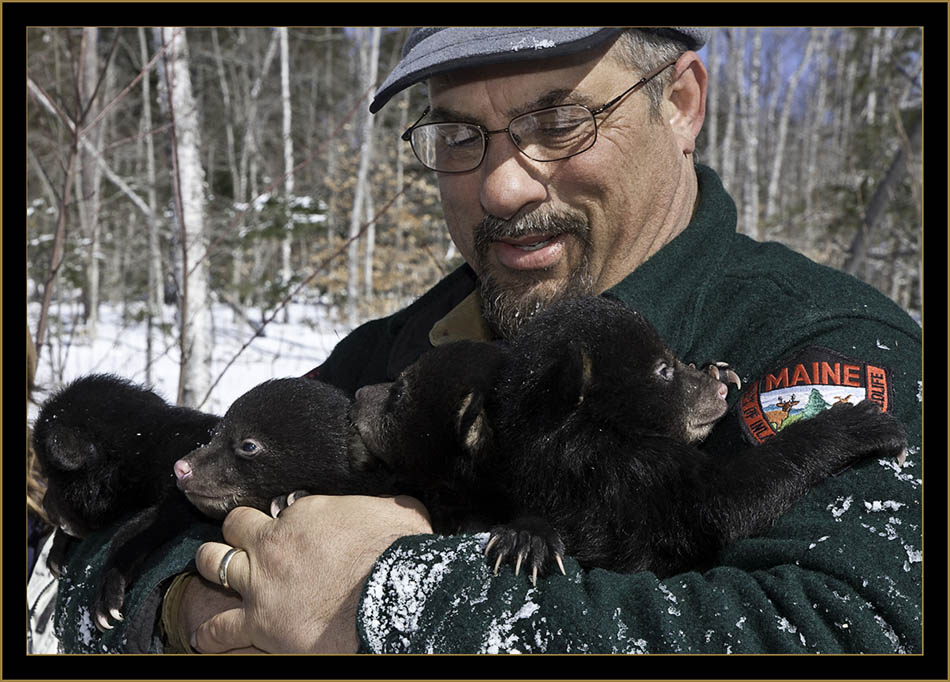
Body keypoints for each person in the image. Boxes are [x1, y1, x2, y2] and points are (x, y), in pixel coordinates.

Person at [51, 27, 922, 655]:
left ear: (682, 103)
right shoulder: (398, 354)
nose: (502, 186)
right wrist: (185, 611)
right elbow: (122, 539)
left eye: (560, 121)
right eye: (458, 135)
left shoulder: (812, 345)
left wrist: (387, 605)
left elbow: (858, 630)